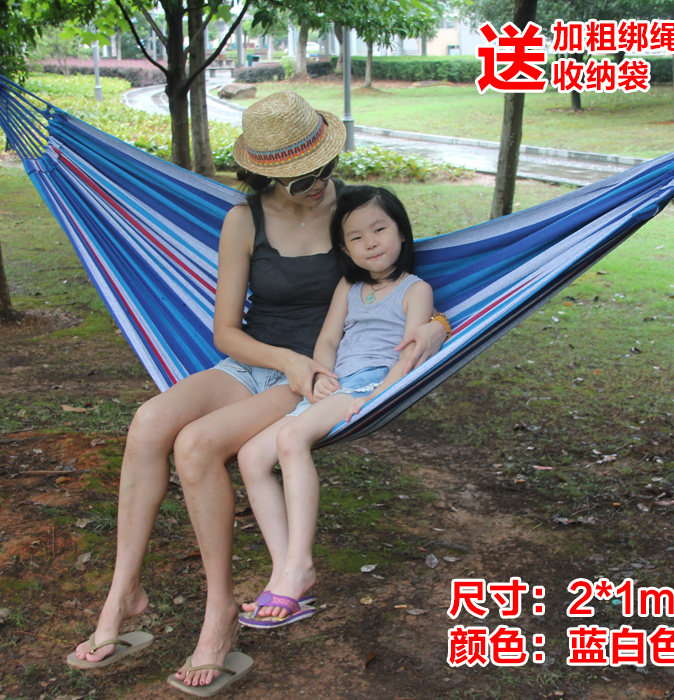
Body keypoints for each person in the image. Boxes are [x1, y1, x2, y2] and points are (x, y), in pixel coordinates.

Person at [67, 92, 448, 694]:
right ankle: (124, 593)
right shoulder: (244, 220)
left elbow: (404, 281)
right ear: (267, 174)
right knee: (149, 421)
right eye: (300, 180)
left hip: (319, 378)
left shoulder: (353, 210)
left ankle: (219, 613)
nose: (317, 185)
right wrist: (284, 360)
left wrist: (438, 326)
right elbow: (225, 331)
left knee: (195, 447)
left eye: (323, 169)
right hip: (258, 364)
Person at [236, 186, 433, 628]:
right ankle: (284, 570)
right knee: (250, 456)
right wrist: (320, 375)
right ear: (344, 249)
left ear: (402, 232)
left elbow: (410, 354)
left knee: (291, 437)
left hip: (371, 385)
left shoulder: (415, 289)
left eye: (380, 229)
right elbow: (327, 338)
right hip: (337, 383)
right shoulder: (349, 286)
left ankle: (300, 566)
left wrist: (379, 397)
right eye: (356, 237)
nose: (371, 243)